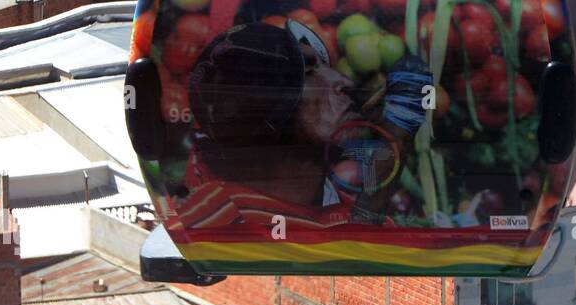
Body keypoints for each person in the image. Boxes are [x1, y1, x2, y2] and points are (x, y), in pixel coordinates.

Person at [167, 20, 431, 231]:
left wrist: (395, 138)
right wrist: (397, 132)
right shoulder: (213, 220)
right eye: (309, 71)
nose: (345, 82)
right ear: (265, 106)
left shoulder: (347, 211)